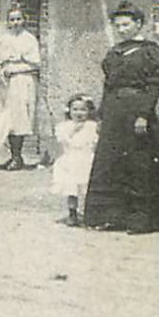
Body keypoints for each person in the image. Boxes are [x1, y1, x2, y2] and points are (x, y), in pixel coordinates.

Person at [83, 2, 159, 234]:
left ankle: (143, 219)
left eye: (126, 24)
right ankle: (113, 217)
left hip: (137, 112)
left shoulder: (150, 51)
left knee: (139, 165)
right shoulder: (114, 53)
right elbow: (108, 86)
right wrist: (102, 116)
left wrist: (143, 115)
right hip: (115, 114)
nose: (122, 29)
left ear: (138, 24)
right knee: (111, 164)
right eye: (118, 25)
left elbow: (153, 86)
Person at [0, 6, 42, 171]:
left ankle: (17, 156)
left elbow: (36, 65)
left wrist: (15, 69)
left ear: (24, 20)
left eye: (18, 19)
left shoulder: (29, 39)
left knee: (18, 119)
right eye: (12, 19)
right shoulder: (3, 39)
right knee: (4, 118)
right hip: (5, 84)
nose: (15, 23)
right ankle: (13, 155)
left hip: (22, 81)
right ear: (8, 22)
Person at [53, 96, 100, 227]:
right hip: (71, 160)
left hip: (87, 159)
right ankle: (72, 213)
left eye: (83, 110)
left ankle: (88, 213)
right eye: (75, 110)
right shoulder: (64, 126)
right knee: (71, 188)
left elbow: (95, 142)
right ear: (69, 111)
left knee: (87, 187)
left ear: (89, 112)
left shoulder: (92, 126)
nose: (79, 113)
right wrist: (73, 130)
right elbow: (63, 140)